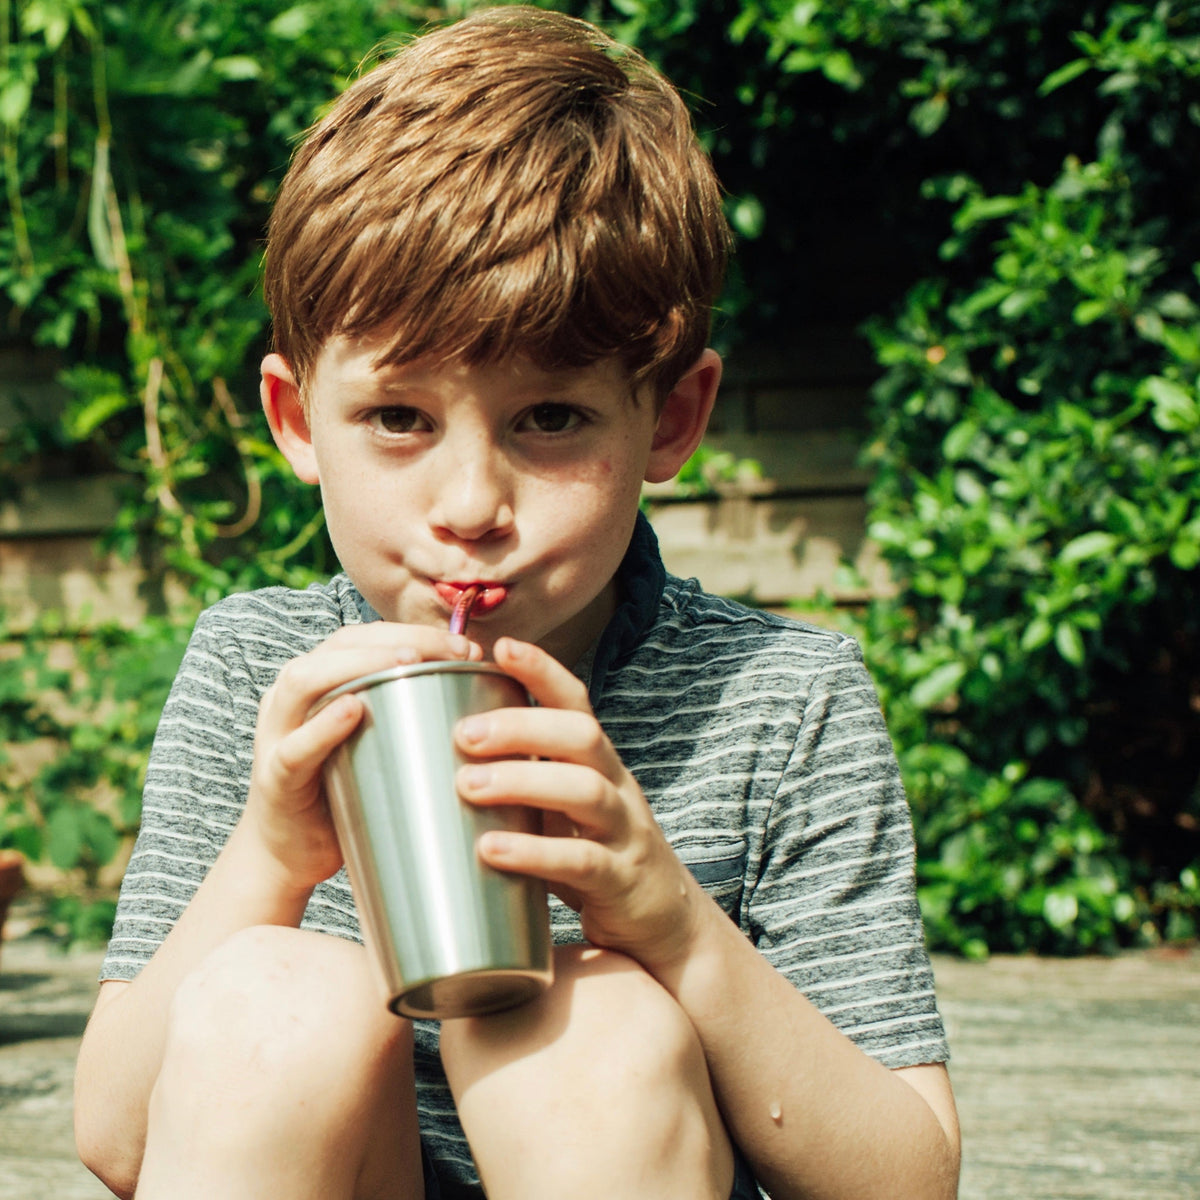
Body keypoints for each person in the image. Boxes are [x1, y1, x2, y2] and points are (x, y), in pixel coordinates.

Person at [74, 8, 960, 1199]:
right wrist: (272, 857)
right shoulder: (263, 672)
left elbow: (905, 1177)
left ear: (674, 420)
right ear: (297, 423)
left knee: (596, 1030)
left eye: (551, 419)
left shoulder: (781, 702)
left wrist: (675, 925)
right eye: (400, 418)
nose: (471, 503)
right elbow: (119, 1137)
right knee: (268, 1000)